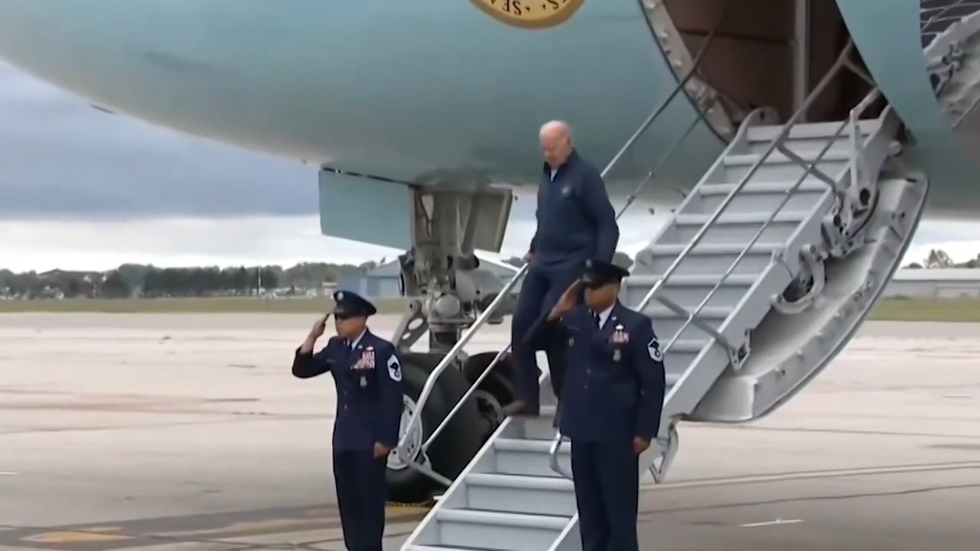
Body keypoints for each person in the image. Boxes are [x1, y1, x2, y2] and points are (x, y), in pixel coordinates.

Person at [530, 259, 666, 551]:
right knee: (590, 513)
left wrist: (645, 431)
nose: (587, 293)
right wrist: (556, 313)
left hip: (616, 433)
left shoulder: (635, 325)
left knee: (618, 513)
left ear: (613, 288)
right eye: (585, 287)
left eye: (594, 287)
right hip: (582, 429)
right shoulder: (576, 321)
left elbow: (652, 381)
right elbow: (532, 342)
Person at [505, 120, 620, 417]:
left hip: (571, 264)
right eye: (543, 149)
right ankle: (527, 397)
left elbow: (607, 224)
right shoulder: (548, 176)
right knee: (520, 325)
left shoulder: (585, 176)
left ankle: (566, 401)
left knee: (552, 326)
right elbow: (546, 218)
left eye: (552, 148)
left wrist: (599, 269)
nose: (547, 154)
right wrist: (534, 246)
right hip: (543, 262)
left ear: (568, 143)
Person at [291, 290, 404, 551]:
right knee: (349, 507)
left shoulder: (381, 350)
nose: (338, 322)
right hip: (344, 440)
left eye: (344, 317)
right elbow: (302, 369)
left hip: (370, 443)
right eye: (336, 318)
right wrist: (312, 336)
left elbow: (392, 397)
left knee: (369, 508)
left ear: (362, 319)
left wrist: (387, 439)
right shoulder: (335, 347)